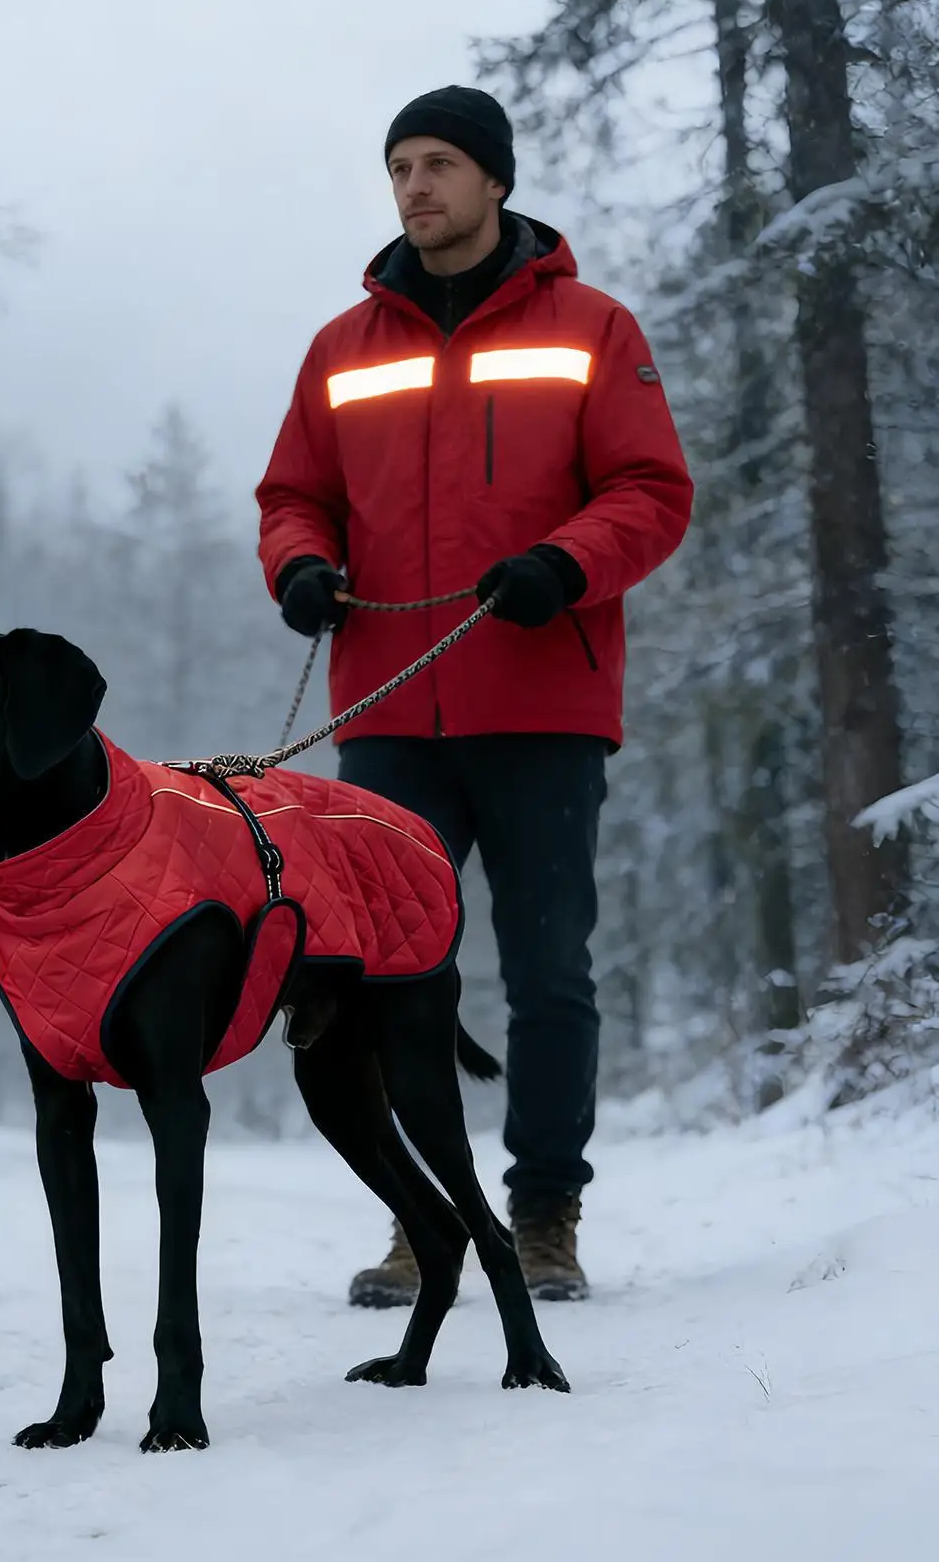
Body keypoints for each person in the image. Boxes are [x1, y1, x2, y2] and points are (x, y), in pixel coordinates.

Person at [255, 85, 693, 1304]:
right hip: (391, 717)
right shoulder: (341, 348)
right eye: (398, 165)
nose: (415, 186)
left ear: (494, 179)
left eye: (439, 162)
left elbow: (651, 491)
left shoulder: (593, 328)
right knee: (392, 969)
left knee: (548, 966)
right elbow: (290, 494)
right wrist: (298, 568)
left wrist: (564, 563)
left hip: (545, 705)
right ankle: (421, 1217)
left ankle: (544, 1213)